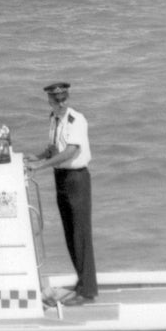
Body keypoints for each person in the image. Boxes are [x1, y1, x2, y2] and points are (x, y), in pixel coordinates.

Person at [25, 81, 98, 305]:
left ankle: (87, 292)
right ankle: (82, 282)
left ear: (67, 97)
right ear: (49, 100)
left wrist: (41, 167)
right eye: (56, 99)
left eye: (63, 98)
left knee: (80, 235)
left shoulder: (76, 119)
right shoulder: (54, 118)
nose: (60, 102)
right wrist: (36, 157)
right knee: (70, 234)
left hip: (76, 179)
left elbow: (71, 151)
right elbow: (54, 148)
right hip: (62, 178)